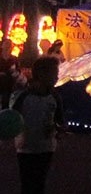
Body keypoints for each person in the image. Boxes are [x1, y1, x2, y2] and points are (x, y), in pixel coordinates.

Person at [12, 56, 64, 194]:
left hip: (46, 147)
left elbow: (60, 120)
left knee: (40, 182)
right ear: (41, 75)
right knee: (28, 183)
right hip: (26, 147)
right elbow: (13, 118)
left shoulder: (55, 97)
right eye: (54, 74)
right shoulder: (24, 97)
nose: (56, 78)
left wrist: (57, 129)